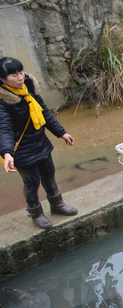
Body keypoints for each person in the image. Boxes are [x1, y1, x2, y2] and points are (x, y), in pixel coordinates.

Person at [0, 57, 77, 229]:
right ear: (2, 79)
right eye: (14, 75)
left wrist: (61, 132)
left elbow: (44, 113)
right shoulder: (3, 102)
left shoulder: (29, 87)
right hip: (21, 149)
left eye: (21, 72)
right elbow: (3, 128)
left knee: (49, 173)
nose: (20, 77)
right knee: (32, 182)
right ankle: (36, 213)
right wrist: (7, 153)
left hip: (40, 142)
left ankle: (57, 205)